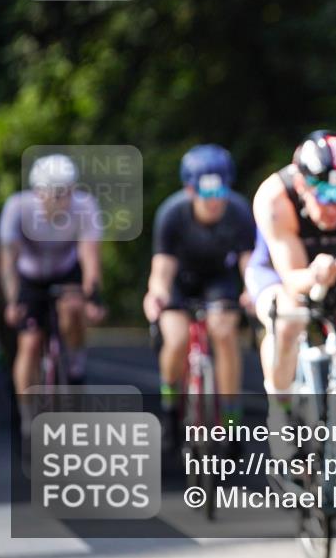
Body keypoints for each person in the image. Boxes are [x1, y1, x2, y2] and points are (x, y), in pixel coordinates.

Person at [246, 131, 336, 445]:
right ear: (301, 185)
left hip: (333, 269)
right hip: (280, 273)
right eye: (325, 195)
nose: (335, 207)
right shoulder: (274, 198)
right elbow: (293, 280)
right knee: (288, 318)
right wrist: (315, 275)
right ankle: (280, 408)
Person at [143, 144, 255, 447]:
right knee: (176, 339)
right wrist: (157, 294)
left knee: (224, 333)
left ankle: (231, 421)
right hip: (180, 281)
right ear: (190, 190)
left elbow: (249, 263)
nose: (215, 200)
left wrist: (252, 290)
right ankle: (170, 406)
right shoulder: (171, 213)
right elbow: (162, 268)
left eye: (221, 191)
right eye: (207, 193)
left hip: (219, 280)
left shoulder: (239, 211)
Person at [0, 153, 105, 394]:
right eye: (57, 193)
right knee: (29, 343)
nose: (64, 200)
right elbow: (8, 262)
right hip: (29, 275)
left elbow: (89, 255)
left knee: (74, 309)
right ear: (39, 192)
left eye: (69, 191)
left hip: (65, 270)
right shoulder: (18, 207)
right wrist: (12, 301)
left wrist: (94, 297)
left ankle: (75, 366)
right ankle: (27, 412)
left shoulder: (84, 205)